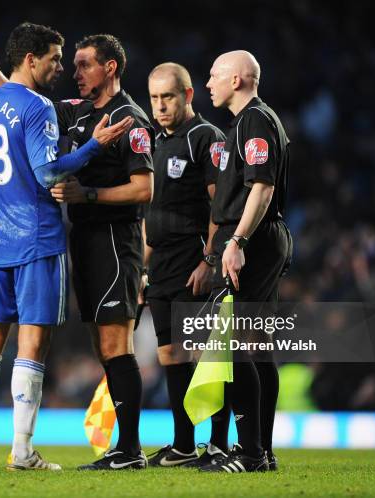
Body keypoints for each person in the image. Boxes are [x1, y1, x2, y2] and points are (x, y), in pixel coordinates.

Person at [0, 21, 154, 470]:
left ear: (111, 68)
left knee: (115, 343)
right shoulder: (75, 110)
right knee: (102, 344)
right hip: (83, 238)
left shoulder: (131, 118)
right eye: (71, 63)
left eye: (84, 65)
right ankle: (121, 449)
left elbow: (144, 189)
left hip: (114, 238)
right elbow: (19, 104)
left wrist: (88, 195)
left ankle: (128, 449)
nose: (74, 72)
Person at [200, 50, 292, 473]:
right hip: (263, 237)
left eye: (215, 76)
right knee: (256, 349)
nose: (209, 83)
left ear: (237, 79)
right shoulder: (252, 121)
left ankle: (251, 453)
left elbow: (262, 187)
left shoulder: (253, 120)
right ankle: (263, 451)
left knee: (235, 346)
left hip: (252, 239)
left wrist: (236, 240)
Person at [139, 63, 229, 467]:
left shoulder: (205, 138)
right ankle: (183, 444)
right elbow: (149, 213)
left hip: (193, 260)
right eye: (155, 98)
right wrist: (141, 269)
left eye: (168, 97)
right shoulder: (154, 142)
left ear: (188, 95)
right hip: (160, 264)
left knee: (204, 355)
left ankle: (220, 443)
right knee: (170, 355)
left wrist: (210, 259)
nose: (160, 106)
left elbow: (220, 205)